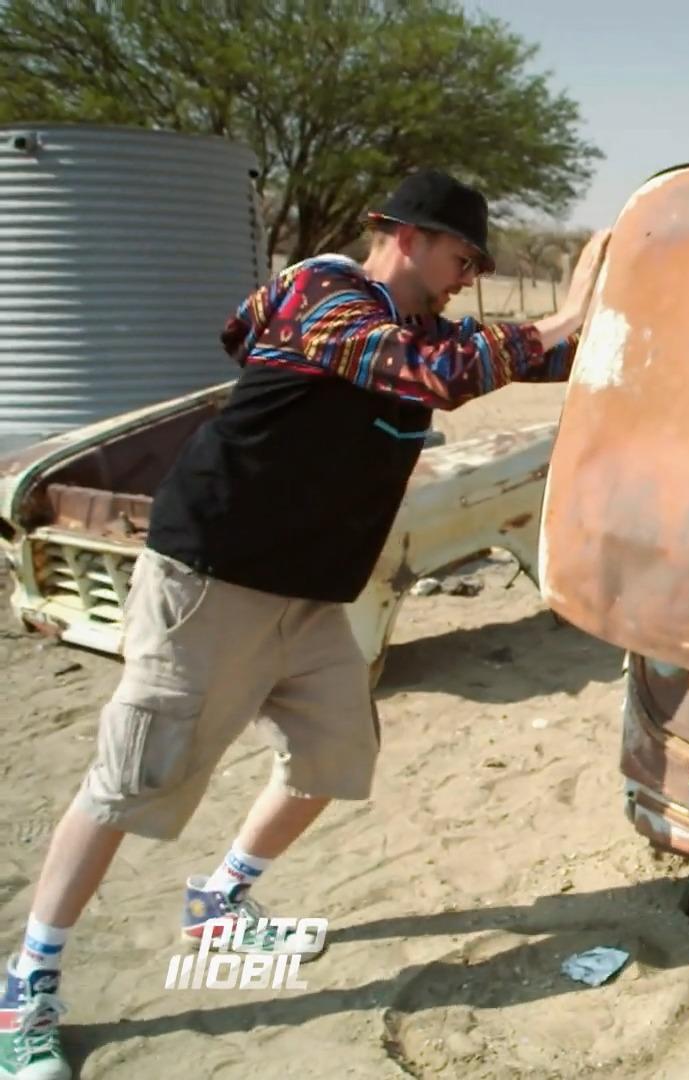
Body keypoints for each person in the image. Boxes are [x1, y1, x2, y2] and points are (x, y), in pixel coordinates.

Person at [1, 170, 611, 1080]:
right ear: (406, 236)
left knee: (332, 756)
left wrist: (618, 321)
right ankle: (26, 988)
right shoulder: (321, 293)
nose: (469, 277)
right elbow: (434, 376)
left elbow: (519, 360)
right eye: (463, 257)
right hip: (213, 578)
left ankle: (219, 903)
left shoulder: (415, 330)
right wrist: (563, 313)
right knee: (135, 777)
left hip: (310, 592)